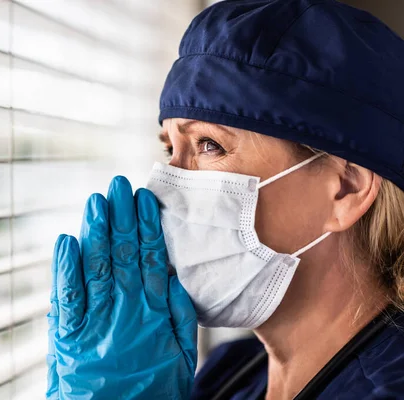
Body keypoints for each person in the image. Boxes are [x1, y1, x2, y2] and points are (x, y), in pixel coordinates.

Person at [46, 0, 404, 398]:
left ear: (346, 189)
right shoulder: (228, 372)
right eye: (171, 150)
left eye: (209, 145)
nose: (160, 191)